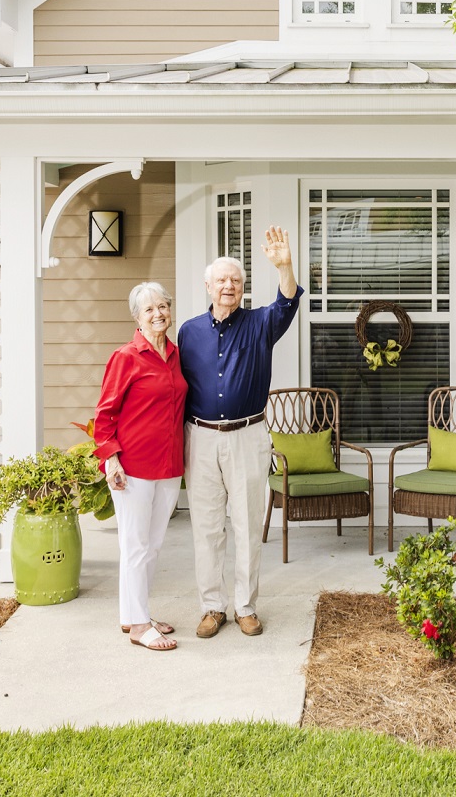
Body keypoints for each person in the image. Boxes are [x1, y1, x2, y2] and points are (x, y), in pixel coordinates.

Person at [178, 226, 302, 638]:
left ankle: (245, 606)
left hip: (248, 435)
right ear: (208, 287)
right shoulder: (188, 332)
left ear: (243, 288)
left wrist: (285, 266)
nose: (228, 286)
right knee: (207, 526)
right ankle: (213, 607)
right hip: (200, 437)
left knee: (247, 524)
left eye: (235, 281)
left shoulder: (261, 324)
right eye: (221, 280)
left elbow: (287, 301)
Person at [93, 282, 188, 652]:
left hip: (168, 464)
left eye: (162, 306)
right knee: (135, 545)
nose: (158, 314)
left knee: (153, 544)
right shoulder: (126, 356)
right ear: (137, 317)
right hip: (132, 466)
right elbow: (104, 414)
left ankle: (134, 613)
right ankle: (139, 625)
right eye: (148, 309)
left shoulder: (177, 355)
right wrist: (110, 458)